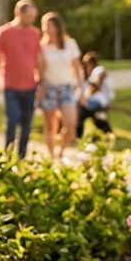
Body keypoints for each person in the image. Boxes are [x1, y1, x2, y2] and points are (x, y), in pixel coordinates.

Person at [0, 0, 44, 156]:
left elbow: (38, 59)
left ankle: (21, 157)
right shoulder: (3, 32)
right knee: (12, 120)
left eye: (34, 16)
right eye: (30, 16)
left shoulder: (34, 33)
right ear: (19, 13)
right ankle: (8, 154)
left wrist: (41, 82)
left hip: (30, 86)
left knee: (27, 124)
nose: (33, 19)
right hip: (10, 85)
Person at [38, 12, 83, 158]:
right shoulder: (41, 47)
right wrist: (40, 86)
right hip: (49, 87)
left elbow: (77, 66)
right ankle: (52, 157)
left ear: (57, 27)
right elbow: (39, 69)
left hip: (67, 87)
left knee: (70, 123)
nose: (45, 28)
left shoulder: (70, 44)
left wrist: (81, 86)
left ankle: (62, 152)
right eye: (44, 25)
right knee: (51, 126)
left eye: (49, 25)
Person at [76, 51, 114, 138]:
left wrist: (84, 98)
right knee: (81, 110)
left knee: (81, 110)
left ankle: (78, 135)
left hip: (100, 101)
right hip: (95, 101)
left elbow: (95, 86)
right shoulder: (84, 73)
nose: (87, 66)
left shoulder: (98, 70)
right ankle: (78, 134)